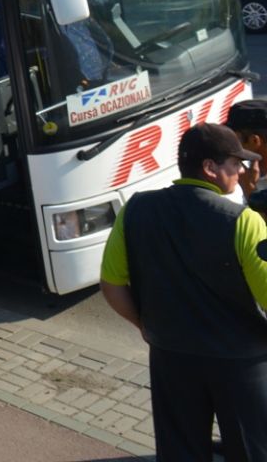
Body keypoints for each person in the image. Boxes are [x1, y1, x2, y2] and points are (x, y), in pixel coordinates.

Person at [100, 123, 267, 461]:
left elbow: (112, 283)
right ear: (210, 168)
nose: (241, 170)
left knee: (180, 451)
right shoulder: (244, 222)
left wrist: (145, 325)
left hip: (170, 356)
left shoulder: (136, 209)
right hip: (241, 364)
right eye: (235, 163)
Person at [227, 99, 267, 216]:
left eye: (234, 139)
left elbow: (260, 225)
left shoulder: (247, 178)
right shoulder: (255, 171)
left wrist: (248, 188)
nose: (229, 144)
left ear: (254, 141)